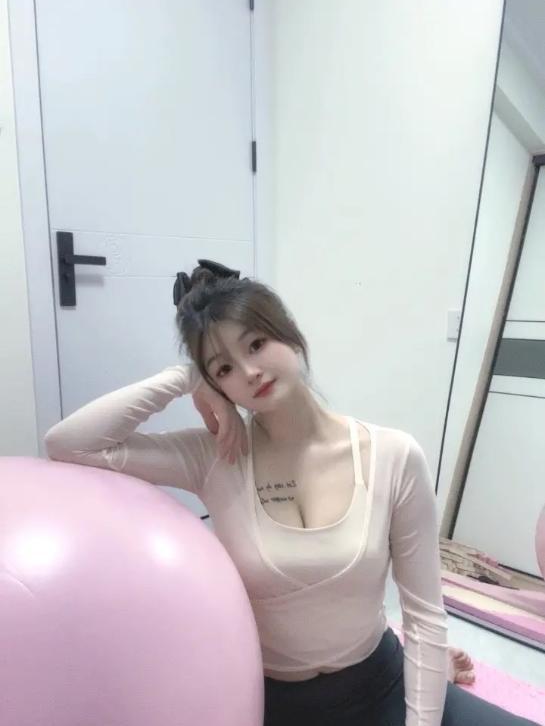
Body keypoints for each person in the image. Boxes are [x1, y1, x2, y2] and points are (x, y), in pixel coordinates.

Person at [45, 260, 537, 726]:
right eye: (223, 369)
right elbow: (70, 443)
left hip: (381, 681)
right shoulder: (215, 455)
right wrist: (184, 378)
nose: (249, 372)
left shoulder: (392, 455)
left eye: (257, 345)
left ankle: (437, 675)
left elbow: (425, 616)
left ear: (291, 336)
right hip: (274, 704)